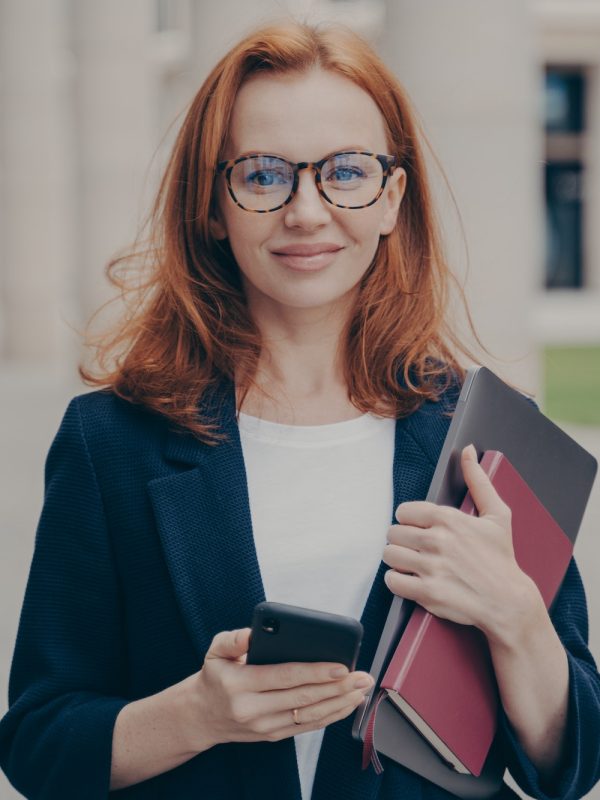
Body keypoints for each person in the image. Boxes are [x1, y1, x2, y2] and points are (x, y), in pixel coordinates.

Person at [0, 20, 599, 800]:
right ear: (213, 205)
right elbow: (40, 742)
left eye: (346, 171)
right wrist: (196, 715)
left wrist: (519, 620)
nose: (307, 211)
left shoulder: (488, 434)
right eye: (262, 174)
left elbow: (573, 764)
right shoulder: (110, 441)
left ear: (390, 199)